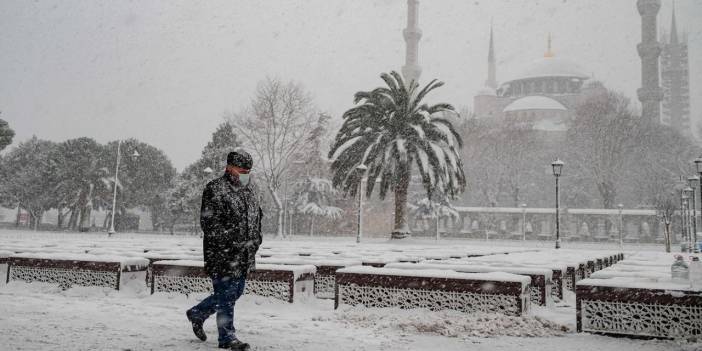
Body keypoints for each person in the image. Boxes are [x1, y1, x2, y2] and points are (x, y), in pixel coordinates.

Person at [186, 150, 263, 351]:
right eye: (241, 170)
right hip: (222, 255)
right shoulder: (215, 189)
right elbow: (209, 223)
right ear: (229, 168)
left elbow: (257, 217)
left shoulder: (251, 190)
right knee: (227, 296)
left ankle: (198, 313)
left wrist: (256, 240)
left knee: (235, 292)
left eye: (248, 170)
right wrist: (233, 241)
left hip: (244, 255)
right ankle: (227, 338)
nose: (246, 173)